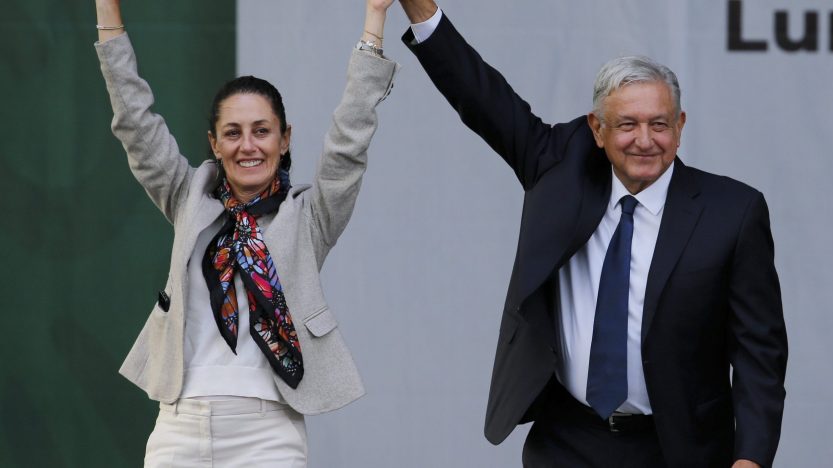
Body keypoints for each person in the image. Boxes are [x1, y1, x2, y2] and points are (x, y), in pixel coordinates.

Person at [396, 1, 787, 467]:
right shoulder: (558, 167)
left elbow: (759, 355)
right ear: (597, 130)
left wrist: (752, 460)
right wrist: (416, 5)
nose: (645, 140)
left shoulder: (734, 213)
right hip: (568, 438)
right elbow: (481, 95)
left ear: (679, 128)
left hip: (678, 445)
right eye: (627, 124)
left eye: (659, 124)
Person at [94, 0, 398, 465]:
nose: (248, 145)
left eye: (262, 130)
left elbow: (348, 141)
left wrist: (374, 19)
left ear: (285, 138)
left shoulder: (310, 216)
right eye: (232, 133)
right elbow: (135, 123)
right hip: (179, 426)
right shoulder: (187, 195)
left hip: (268, 435)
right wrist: (107, 9)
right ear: (214, 143)